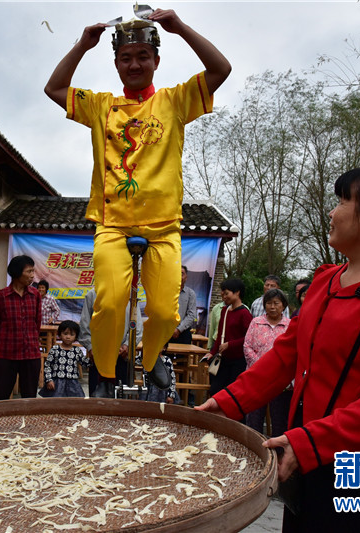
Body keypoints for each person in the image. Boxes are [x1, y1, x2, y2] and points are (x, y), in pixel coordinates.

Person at [197, 167, 360, 531]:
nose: (332, 212)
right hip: (304, 451)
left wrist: (308, 443)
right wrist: (226, 403)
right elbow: (287, 355)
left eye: (344, 201)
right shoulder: (326, 280)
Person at [44, 8, 231, 393]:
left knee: (165, 311)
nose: (134, 64)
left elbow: (220, 69)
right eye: (126, 58)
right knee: (109, 304)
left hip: (164, 227)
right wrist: (83, 44)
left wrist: (178, 27)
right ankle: (106, 374)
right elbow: (54, 89)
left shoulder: (174, 102)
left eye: (142, 56)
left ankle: (150, 357)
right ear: (115, 64)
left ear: (156, 61)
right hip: (113, 224)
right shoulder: (101, 106)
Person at [0, 255, 42, 400]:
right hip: (6, 354)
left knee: (29, 397)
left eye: (33, 271)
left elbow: (36, 324)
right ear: (17, 272)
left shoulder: (35, 295)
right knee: (1, 396)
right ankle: (1, 422)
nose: (32, 275)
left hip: (31, 354)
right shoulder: (1, 296)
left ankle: (28, 423)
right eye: (29, 271)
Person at [78, 288, 143, 397]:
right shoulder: (92, 294)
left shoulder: (130, 295)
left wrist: (127, 344)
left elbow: (137, 326)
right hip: (99, 356)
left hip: (122, 356)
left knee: (121, 400)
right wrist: (91, 347)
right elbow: (85, 325)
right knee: (97, 401)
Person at [243, 289, 291, 436]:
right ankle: (254, 449)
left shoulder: (289, 326)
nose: (272, 306)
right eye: (269, 303)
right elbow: (247, 346)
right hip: (257, 378)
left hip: (280, 381)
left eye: (276, 303)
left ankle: (278, 453)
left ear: (283, 306)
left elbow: (292, 351)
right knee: (254, 417)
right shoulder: (256, 322)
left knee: (279, 419)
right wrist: (262, 368)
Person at [202, 278, 252, 396]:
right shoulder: (225, 311)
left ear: (237, 292)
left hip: (238, 361)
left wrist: (230, 344)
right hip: (223, 359)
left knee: (232, 392)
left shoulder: (244, 313)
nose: (224, 297)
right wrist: (212, 352)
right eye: (222, 294)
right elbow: (220, 334)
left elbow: (249, 338)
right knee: (215, 390)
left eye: (226, 293)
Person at [40, 320, 89, 398]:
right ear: (59, 335)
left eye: (72, 334)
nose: (68, 337)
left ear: (76, 337)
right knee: (56, 404)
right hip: (57, 383)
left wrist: (94, 357)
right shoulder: (54, 349)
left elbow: (85, 363)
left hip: (73, 383)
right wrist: (49, 380)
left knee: (74, 404)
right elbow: (48, 365)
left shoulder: (77, 350)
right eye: (65, 334)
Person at [172, 265, 197, 344]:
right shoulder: (167, 292)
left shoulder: (190, 294)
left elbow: (191, 315)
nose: (179, 276)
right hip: (166, 332)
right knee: (164, 356)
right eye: (177, 273)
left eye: (182, 274)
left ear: (186, 277)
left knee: (183, 356)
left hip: (183, 333)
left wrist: (179, 329)